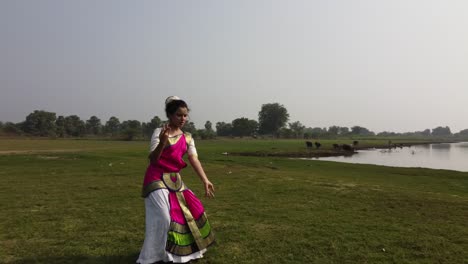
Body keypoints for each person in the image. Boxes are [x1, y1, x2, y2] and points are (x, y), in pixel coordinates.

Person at [137, 96, 215, 264]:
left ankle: (182, 254)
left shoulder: (188, 137)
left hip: (175, 180)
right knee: (165, 218)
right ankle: (154, 255)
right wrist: (163, 142)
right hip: (156, 178)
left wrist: (205, 180)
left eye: (185, 115)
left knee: (194, 209)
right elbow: (153, 160)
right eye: (179, 115)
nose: (183, 119)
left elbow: (194, 159)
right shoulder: (159, 132)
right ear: (170, 115)